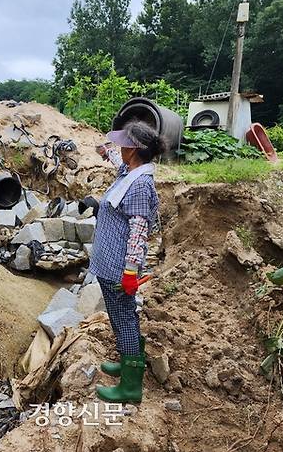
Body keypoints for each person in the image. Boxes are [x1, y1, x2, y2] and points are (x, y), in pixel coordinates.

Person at [89, 119, 165, 403]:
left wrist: (131, 272)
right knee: (120, 317)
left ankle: (131, 386)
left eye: (123, 144)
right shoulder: (130, 172)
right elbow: (116, 164)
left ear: (133, 150)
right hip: (109, 263)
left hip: (120, 268)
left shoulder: (141, 186)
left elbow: (138, 232)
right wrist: (104, 152)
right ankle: (128, 360)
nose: (118, 147)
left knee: (125, 318)